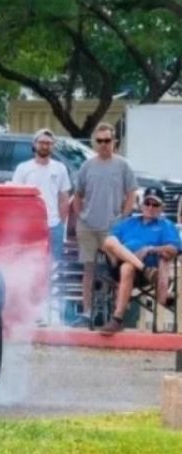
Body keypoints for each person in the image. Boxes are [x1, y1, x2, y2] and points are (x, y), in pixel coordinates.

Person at [69, 122, 137, 328]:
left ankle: (116, 315)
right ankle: (87, 313)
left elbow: (132, 193)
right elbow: (77, 194)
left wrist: (123, 216)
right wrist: (81, 215)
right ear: (95, 142)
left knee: (114, 269)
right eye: (100, 141)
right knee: (88, 269)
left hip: (112, 228)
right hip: (88, 227)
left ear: (114, 141)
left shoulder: (123, 165)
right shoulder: (87, 166)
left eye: (107, 140)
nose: (104, 144)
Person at [98, 186, 180, 333]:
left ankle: (117, 319)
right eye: (147, 203)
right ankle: (143, 267)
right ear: (142, 205)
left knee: (127, 267)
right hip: (117, 264)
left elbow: (173, 250)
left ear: (162, 207)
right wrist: (121, 254)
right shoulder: (129, 222)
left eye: (155, 204)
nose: (150, 207)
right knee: (109, 240)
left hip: (141, 274)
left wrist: (150, 249)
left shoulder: (166, 226)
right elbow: (109, 244)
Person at [11, 128, 71, 262]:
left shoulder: (60, 168)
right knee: (28, 263)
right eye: (42, 142)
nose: (45, 146)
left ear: (53, 146)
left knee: (53, 265)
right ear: (34, 144)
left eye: (49, 143)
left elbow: (64, 198)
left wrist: (61, 223)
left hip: (53, 225)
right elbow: (15, 198)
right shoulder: (23, 168)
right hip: (30, 225)